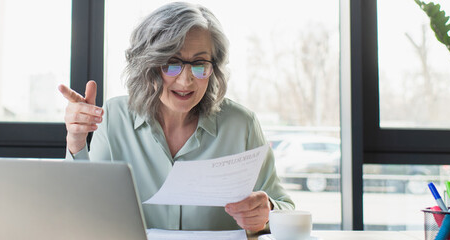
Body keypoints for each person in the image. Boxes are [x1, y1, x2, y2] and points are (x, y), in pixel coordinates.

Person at [57, 2, 294, 232]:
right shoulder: (114, 119)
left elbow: (286, 209)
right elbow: (81, 210)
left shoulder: (242, 125)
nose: (186, 80)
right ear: (148, 66)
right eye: (172, 63)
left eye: (200, 64)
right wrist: (76, 142)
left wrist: (267, 213)